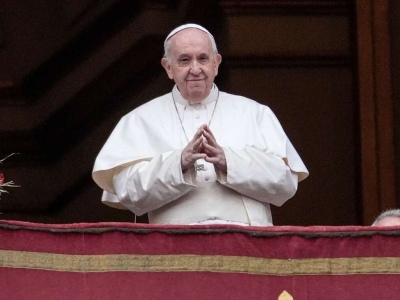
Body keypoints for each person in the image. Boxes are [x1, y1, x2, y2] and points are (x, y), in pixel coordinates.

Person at [92, 23, 309, 226]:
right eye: (184, 60)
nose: (195, 69)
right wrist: (178, 164)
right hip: (175, 250)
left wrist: (229, 162)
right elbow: (128, 193)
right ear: (168, 67)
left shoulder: (255, 113)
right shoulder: (139, 120)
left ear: (216, 63)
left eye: (203, 58)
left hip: (246, 247)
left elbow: (285, 184)